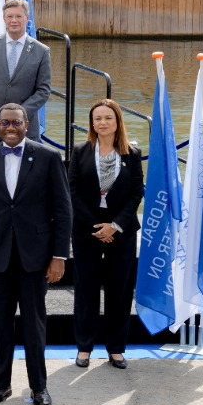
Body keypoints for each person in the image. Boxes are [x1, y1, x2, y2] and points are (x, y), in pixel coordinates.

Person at [0, 103, 73, 405]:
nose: (10, 127)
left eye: (16, 122)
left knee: (33, 323)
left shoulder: (49, 158)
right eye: (4, 123)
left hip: (36, 257)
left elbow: (63, 211)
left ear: (27, 124)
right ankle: (1, 384)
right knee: (0, 325)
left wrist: (59, 256)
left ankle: (38, 386)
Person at [68, 99, 143, 370]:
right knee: (86, 290)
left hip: (120, 231)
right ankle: (84, 347)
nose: (102, 122)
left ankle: (116, 349)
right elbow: (72, 190)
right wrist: (96, 227)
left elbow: (137, 193)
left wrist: (115, 225)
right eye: (97, 118)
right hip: (87, 230)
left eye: (107, 118)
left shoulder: (132, 154)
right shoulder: (79, 151)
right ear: (92, 123)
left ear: (117, 121)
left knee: (119, 291)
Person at [0, 0, 53, 148]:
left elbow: (43, 91)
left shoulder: (41, 51)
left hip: (26, 130)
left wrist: (19, 117)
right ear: (4, 18)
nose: (14, 20)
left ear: (27, 18)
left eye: (18, 16)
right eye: (9, 16)